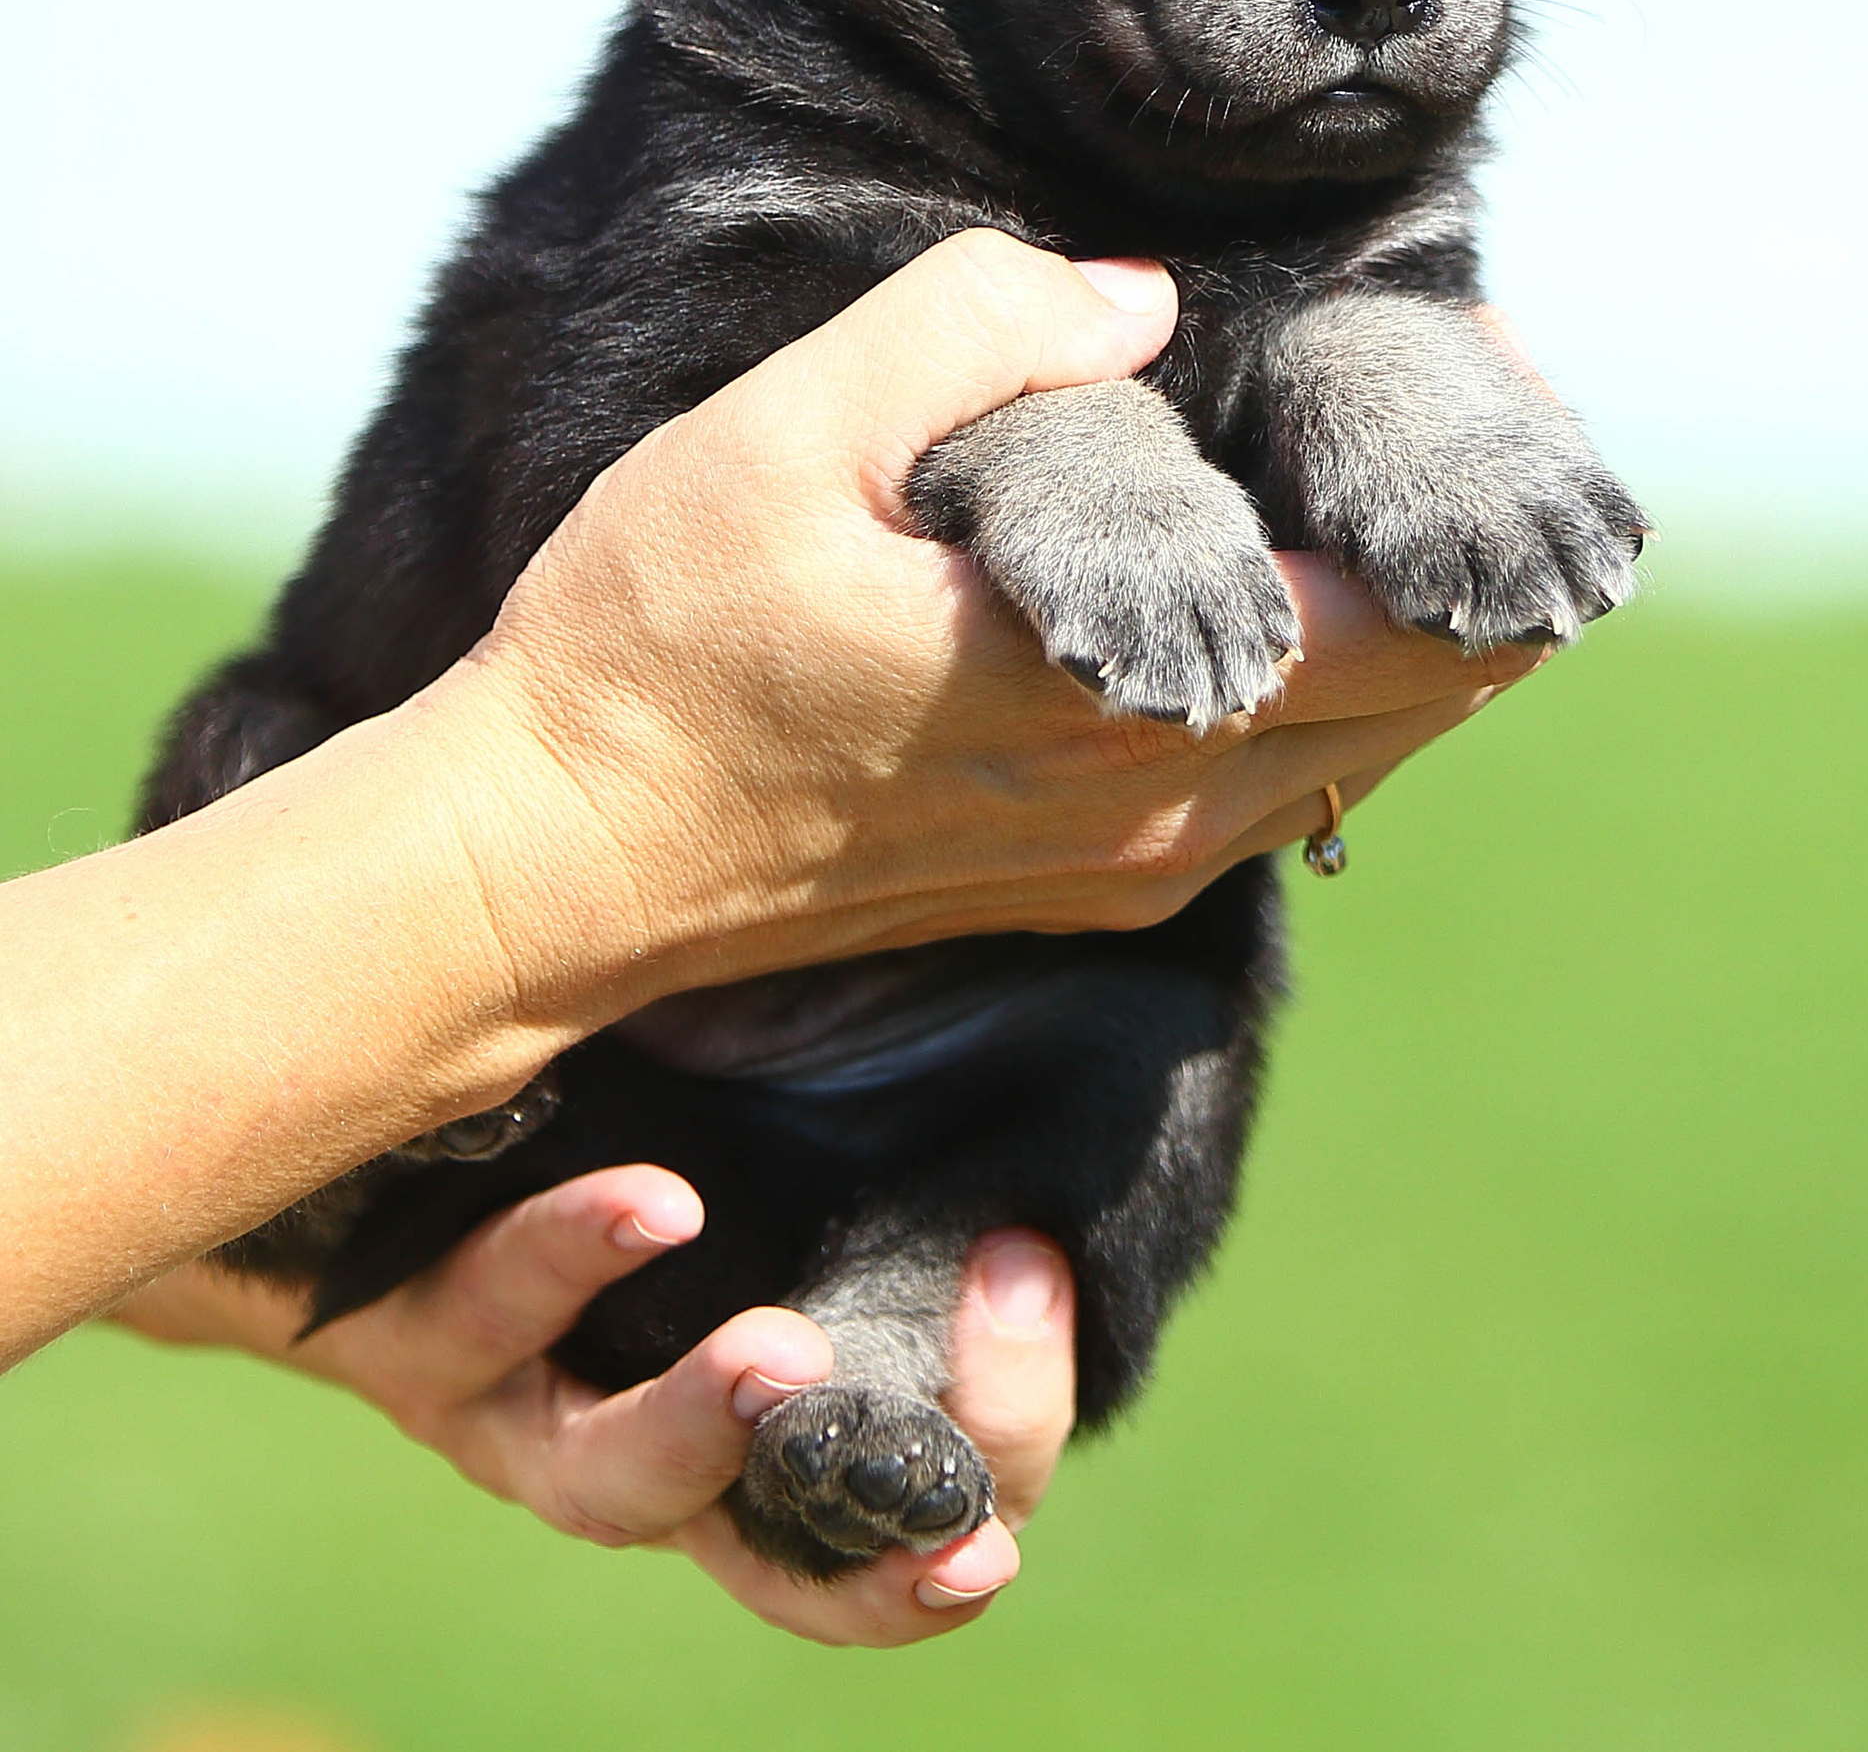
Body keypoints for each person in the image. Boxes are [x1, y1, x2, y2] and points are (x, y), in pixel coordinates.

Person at [1, 233, 1542, 1645]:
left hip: (719, 1183)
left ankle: (875, 1341)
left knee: (1139, 1053)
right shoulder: (765, 98)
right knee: (250, 753)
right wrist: (545, 862)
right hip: (521, 1092)